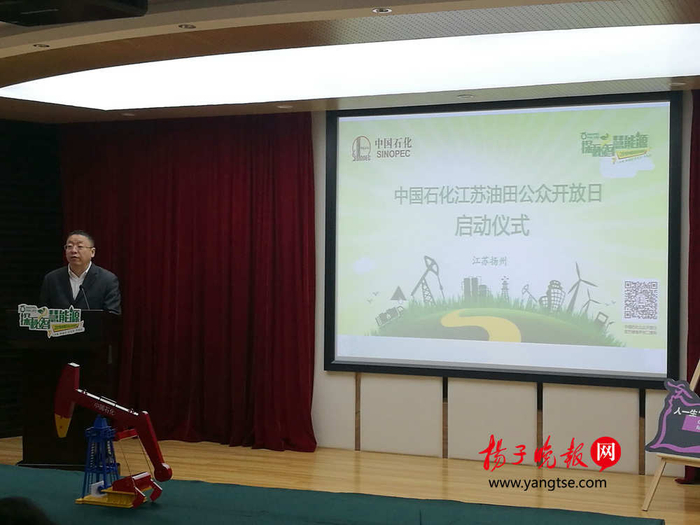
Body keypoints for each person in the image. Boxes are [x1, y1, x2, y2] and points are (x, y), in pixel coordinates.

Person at [39, 230, 121, 314]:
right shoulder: (52, 279)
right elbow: (43, 313)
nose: (73, 250)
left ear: (92, 252)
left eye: (80, 246)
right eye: (69, 246)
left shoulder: (107, 280)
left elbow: (112, 315)